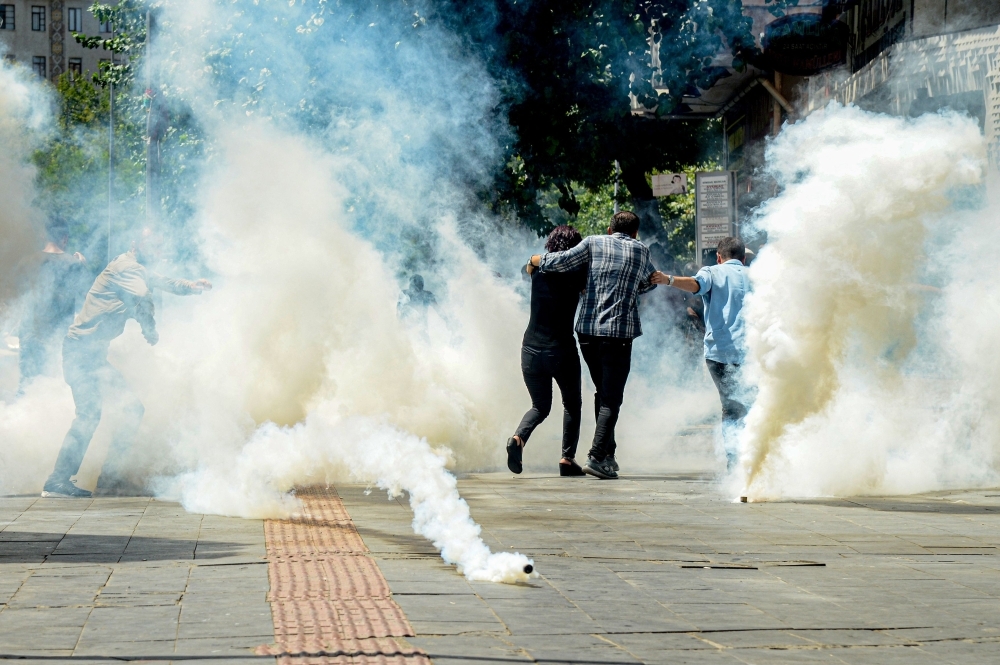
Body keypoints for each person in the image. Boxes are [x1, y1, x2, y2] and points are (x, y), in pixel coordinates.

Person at [41, 229, 212, 498]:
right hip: (80, 352)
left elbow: (163, 281)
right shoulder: (126, 267)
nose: (156, 248)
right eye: (151, 243)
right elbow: (144, 296)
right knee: (89, 414)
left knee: (132, 409)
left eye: (159, 244)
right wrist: (150, 329)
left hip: (93, 355)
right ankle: (57, 481)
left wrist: (192, 287)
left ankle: (110, 478)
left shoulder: (138, 269)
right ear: (135, 244)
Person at [527, 211, 657, 480]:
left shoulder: (593, 242)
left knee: (602, 390)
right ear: (635, 232)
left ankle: (608, 452)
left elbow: (561, 261)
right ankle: (597, 457)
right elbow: (648, 283)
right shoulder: (642, 251)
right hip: (618, 334)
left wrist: (535, 260)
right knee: (611, 397)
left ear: (610, 229)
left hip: (587, 333)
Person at [654, 236, 749, 470]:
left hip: (719, 352)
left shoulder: (712, 272)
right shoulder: (757, 277)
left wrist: (668, 280)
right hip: (752, 353)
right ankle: (748, 456)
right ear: (744, 259)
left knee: (731, 406)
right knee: (750, 404)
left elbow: (696, 285)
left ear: (719, 257)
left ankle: (734, 461)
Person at [507, 225, 587, 477]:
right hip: (561, 350)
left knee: (540, 406)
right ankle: (567, 458)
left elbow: (525, 270)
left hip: (530, 349)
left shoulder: (536, 270)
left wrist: (535, 262)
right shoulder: (578, 274)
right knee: (572, 404)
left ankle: (518, 438)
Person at [17, 219, 90, 392]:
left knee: (27, 386)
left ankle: (19, 418)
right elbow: (89, 297)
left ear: (44, 235)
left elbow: (15, 296)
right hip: (58, 337)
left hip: (29, 333)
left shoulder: (27, 262)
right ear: (65, 238)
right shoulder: (74, 266)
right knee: (53, 386)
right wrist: (83, 265)